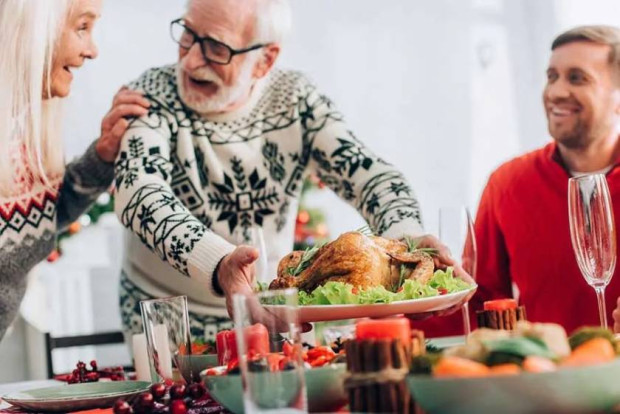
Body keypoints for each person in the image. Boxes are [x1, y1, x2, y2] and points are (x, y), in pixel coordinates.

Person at [114, 0, 470, 339]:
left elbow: (371, 177)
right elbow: (139, 192)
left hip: (266, 309)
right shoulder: (152, 93)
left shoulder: (297, 98)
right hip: (168, 317)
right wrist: (219, 263)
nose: (190, 61)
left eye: (215, 47)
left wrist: (406, 243)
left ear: (264, 61)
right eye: (188, 34)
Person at [418, 25, 620, 338]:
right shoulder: (508, 183)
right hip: (544, 376)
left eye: (577, 78)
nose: (556, 92)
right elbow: (479, 299)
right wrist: (379, 322)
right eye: (552, 76)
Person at [0, 0, 149, 339]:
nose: (92, 51)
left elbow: (34, 220)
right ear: (31, 30)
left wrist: (103, 156)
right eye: (82, 27)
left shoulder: (19, 135)